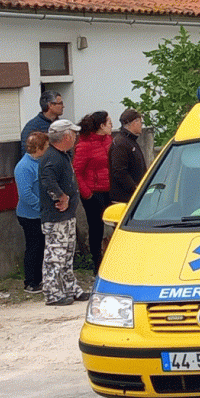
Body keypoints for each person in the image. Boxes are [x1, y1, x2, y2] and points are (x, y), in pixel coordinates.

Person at [38, 119, 89, 307]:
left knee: (67, 254)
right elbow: (47, 180)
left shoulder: (63, 155)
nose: (75, 137)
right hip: (56, 217)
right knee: (55, 255)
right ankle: (52, 293)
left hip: (66, 216)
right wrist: (61, 197)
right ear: (66, 136)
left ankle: (69, 287)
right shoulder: (52, 157)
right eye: (74, 134)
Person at [73, 110, 113, 275]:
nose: (111, 125)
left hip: (109, 189)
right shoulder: (84, 145)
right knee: (96, 228)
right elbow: (77, 170)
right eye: (109, 122)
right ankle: (96, 264)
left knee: (114, 224)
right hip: (93, 191)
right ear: (101, 126)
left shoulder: (108, 140)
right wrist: (87, 193)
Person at [14, 131, 48, 294]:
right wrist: (41, 207)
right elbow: (25, 194)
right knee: (34, 247)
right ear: (39, 148)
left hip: (39, 214)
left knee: (41, 246)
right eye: (46, 146)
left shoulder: (38, 162)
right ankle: (31, 281)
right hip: (30, 215)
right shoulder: (24, 167)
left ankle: (39, 279)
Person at [109, 108, 147, 204]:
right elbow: (119, 171)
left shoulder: (130, 141)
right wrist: (134, 188)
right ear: (134, 122)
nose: (141, 125)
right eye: (140, 122)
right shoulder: (121, 143)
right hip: (124, 199)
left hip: (133, 196)